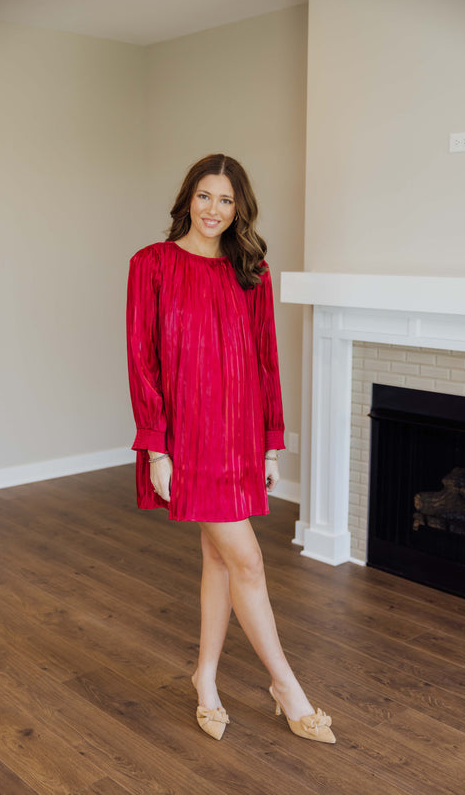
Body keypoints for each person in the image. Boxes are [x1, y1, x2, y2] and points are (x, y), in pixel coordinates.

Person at [126, 153, 335, 744]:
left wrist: (270, 445)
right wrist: (157, 449)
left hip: (240, 435)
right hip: (188, 439)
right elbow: (142, 361)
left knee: (219, 560)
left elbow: (267, 361)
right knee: (248, 562)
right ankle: (286, 688)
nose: (213, 209)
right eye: (204, 196)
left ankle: (206, 678)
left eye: (225, 200)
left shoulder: (252, 272)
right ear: (187, 199)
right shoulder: (152, 264)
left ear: (239, 208)